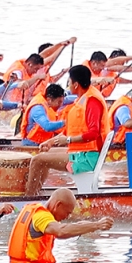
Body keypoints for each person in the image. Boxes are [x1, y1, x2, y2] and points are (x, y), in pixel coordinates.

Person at [26, 65, 105, 195]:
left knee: (37, 160)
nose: (68, 84)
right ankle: (36, 193)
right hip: (81, 151)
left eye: (69, 81)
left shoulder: (92, 101)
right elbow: (71, 130)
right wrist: (51, 142)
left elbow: (93, 133)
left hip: (87, 157)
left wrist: (67, 140)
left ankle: (28, 198)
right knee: (44, 153)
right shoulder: (82, 99)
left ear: (75, 84)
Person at [7, 188, 111, 263]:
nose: (67, 216)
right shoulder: (41, 216)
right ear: (58, 205)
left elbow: (61, 232)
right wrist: (97, 225)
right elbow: (61, 231)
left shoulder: (35, 211)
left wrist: (87, 226)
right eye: (67, 212)